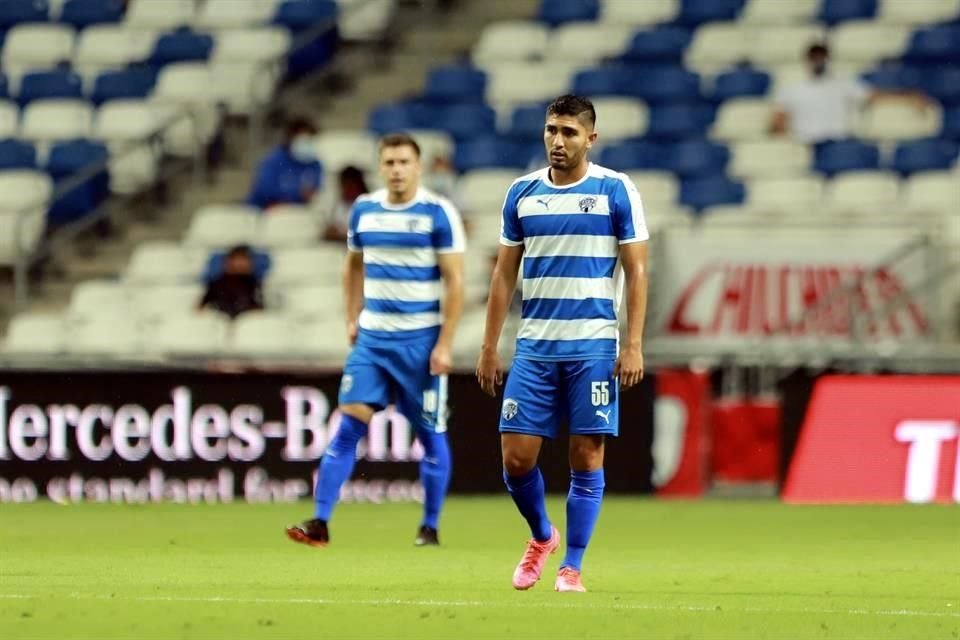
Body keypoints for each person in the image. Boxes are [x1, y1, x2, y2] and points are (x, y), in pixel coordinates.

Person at [475, 95, 649, 593]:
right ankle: (541, 536)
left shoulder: (616, 190)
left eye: (569, 132)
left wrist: (632, 343)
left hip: (593, 345)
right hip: (534, 346)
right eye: (552, 130)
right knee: (516, 458)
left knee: (586, 455)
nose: (557, 140)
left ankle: (571, 565)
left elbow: (637, 270)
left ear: (590, 138)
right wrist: (490, 346)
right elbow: (504, 274)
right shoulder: (522, 194)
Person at [286, 133, 466, 548]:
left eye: (404, 162)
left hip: (420, 343)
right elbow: (351, 267)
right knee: (348, 428)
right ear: (380, 167)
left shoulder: (438, 213)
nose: (397, 170)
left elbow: (455, 282)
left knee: (430, 436)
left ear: (418, 167)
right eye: (389, 163)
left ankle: (430, 524)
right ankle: (320, 521)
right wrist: (351, 317)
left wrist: (445, 343)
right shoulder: (364, 211)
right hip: (373, 340)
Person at [771, 43, 930, 144]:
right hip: (805, 145)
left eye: (821, 58)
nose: (818, 62)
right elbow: (778, 122)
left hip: (839, 145)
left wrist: (908, 97)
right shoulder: (791, 88)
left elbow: (874, 97)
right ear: (807, 60)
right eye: (814, 58)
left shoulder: (843, 84)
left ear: (828, 60)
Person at [246, 116, 322, 210]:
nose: (307, 143)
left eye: (310, 140)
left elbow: (317, 192)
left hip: (298, 213)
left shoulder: (315, 164)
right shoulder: (273, 161)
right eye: (304, 140)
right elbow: (263, 191)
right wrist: (297, 194)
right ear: (290, 137)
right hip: (265, 213)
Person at [198, 244, 264, 318]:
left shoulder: (253, 282)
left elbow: (259, 306)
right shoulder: (217, 283)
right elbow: (202, 306)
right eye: (237, 260)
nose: (240, 264)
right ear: (227, 262)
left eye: (244, 260)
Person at [322, 165, 369, 242]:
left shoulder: (369, 206)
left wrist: (343, 235)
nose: (348, 189)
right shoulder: (335, 205)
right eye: (345, 185)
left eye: (351, 186)